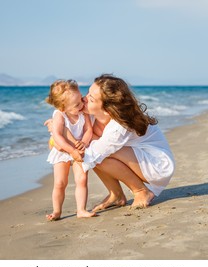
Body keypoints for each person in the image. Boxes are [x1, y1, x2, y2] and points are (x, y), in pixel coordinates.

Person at [45, 74, 175, 212]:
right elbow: (64, 140)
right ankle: (116, 195)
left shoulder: (118, 127)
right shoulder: (90, 117)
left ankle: (141, 191)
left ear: (107, 110)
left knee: (94, 154)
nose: (84, 99)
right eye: (88, 93)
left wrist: (59, 139)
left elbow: (90, 154)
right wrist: (57, 132)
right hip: (137, 156)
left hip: (157, 164)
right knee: (93, 151)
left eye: (91, 99)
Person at [45, 79, 96, 220]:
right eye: (76, 105)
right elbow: (58, 137)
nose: (81, 105)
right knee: (60, 183)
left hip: (79, 150)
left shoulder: (82, 113)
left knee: (82, 179)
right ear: (63, 108)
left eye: (81, 100)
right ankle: (57, 211)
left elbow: (88, 130)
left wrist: (84, 143)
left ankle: (81, 210)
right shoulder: (59, 115)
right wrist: (71, 151)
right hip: (64, 151)